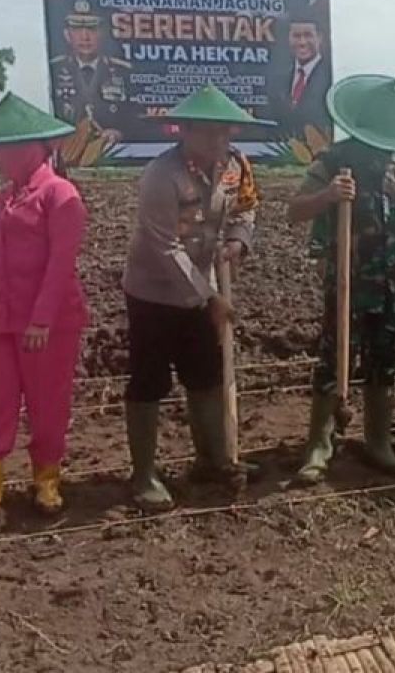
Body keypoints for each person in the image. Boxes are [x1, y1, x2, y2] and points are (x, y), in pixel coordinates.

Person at [287, 75, 395, 484]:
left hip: (392, 282)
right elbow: (295, 211)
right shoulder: (332, 162)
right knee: (333, 361)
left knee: (386, 362)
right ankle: (320, 446)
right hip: (349, 280)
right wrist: (328, 196)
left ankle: (379, 442)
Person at [0, 94, 87, 535]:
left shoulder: (61, 196)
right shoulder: (0, 200)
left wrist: (42, 319)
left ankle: (46, 484)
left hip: (48, 324)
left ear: (29, 149)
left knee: (47, 406)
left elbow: (61, 263)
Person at [122, 83, 269, 511]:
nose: (219, 142)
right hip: (153, 292)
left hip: (201, 287)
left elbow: (246, 207)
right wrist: (210, 298)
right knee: (149, 381)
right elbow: (164, 246)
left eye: (225, 133)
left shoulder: (235, 166)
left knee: (206, 373)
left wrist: (239, 241)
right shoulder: (161, 175)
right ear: (183, 131)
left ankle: (212, 460)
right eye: (208, 133)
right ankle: (144, 473)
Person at [50, 0, 133, 163]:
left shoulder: (122, 71)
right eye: (77, 29)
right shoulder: (56, 69)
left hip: (113, 154)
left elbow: (136, 116)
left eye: (92, 29)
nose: (85, 36)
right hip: (69, 155)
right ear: (67, 35)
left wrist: (120, 132)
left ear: (101, 33)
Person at [271, 18, 331, 137]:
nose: (302, 42)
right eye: (296, 36)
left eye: (308, 35)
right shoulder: (278, 80)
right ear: (288, 38)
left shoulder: (330, 78)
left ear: (319, 38)